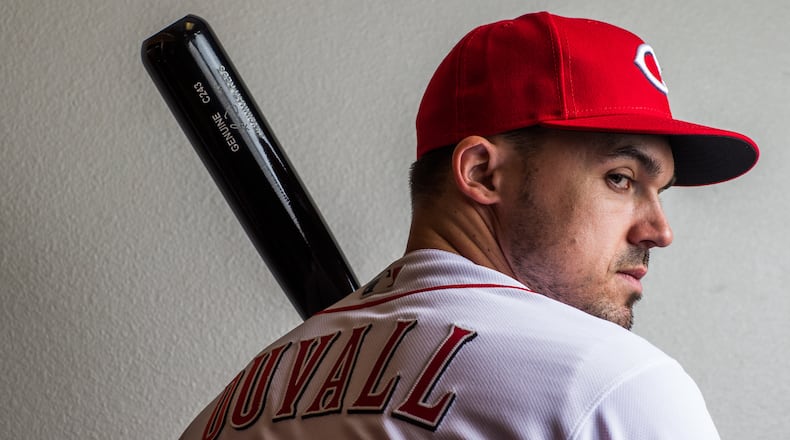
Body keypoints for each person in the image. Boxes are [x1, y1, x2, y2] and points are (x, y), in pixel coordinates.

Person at [180, 11, 759, 439]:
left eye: (661, 191)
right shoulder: (613, 387)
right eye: (621, 178)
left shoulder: (234, 405)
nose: (659, 230)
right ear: (482, 172)